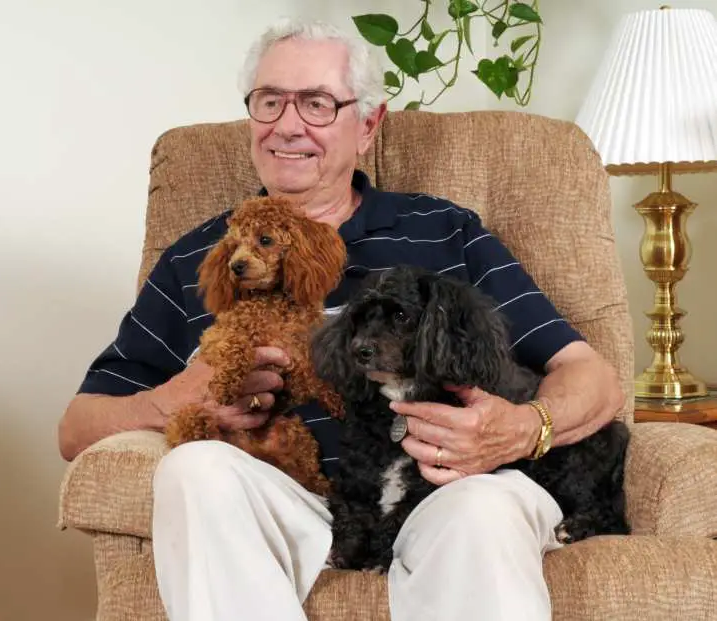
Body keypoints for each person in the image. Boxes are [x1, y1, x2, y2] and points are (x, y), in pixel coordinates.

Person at [58, 17, 625, 621]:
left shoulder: (444, 231)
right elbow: (75, 428)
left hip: (448, 491)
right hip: (287, 500)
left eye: (318, 103)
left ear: (368, 125)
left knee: (485, 509)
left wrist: (521, 428)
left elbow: (592, 376)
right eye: (269, 101)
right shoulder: (207, 257)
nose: (286, 125)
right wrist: (174, 398)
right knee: (194, 470)